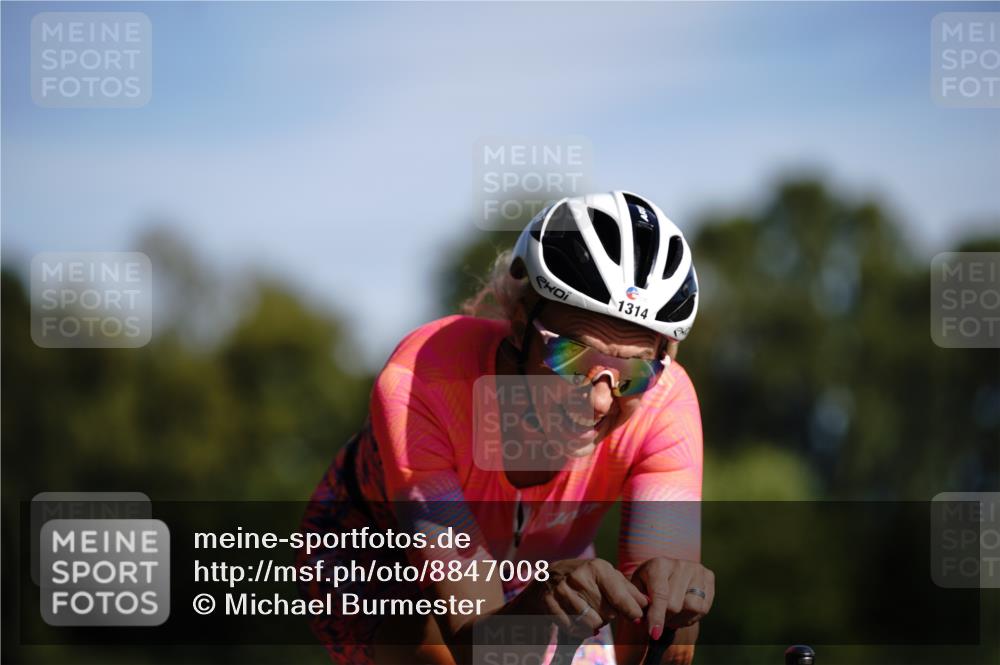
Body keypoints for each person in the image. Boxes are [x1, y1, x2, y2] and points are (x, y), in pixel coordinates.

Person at [298, 191, 714, 665]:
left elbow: (650, 639)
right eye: (570, 355)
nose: (599, 400)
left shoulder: (667, 400)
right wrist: (537, 608)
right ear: (518, 321)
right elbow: (478, 644)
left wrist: (675, 601)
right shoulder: (422, 382)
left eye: (636, 373)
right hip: (377, 559)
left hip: (541, 565)